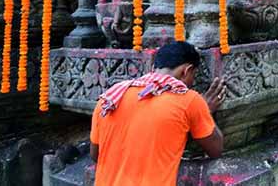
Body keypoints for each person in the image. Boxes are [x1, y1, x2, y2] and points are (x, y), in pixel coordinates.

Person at [90, 41, 227, 185]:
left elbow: (95, 155)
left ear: (153, 68)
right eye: (194, 76)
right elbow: (216, 149)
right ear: (186, 71)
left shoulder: (110, 98)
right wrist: (204, 111)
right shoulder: (189, 100)